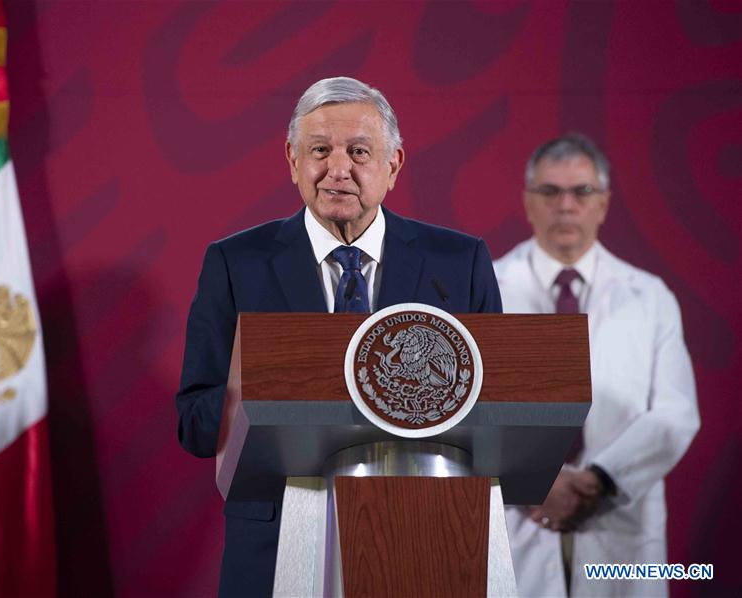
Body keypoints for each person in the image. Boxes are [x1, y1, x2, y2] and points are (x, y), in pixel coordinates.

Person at [175, 76, 502, 596]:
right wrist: (275, 394)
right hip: (278, 544)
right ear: (292, 161)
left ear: (393, 165)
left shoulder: (457, 264)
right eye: (320, 150)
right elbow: (194, 423)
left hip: (423, 537)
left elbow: (498, 410)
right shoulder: (236, 264)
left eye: (359, 151)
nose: (338, 170)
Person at [496, 133, 700, 597]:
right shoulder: (486, 289)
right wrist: (534, 483)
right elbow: (466, 414)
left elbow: (674, 414)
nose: (565, 205)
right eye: (550, 192)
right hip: (516, 516)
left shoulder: (649, 296)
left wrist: (599, 480)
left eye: (581, 192)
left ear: (603, 203)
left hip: (618, 516)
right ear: (529, 202)